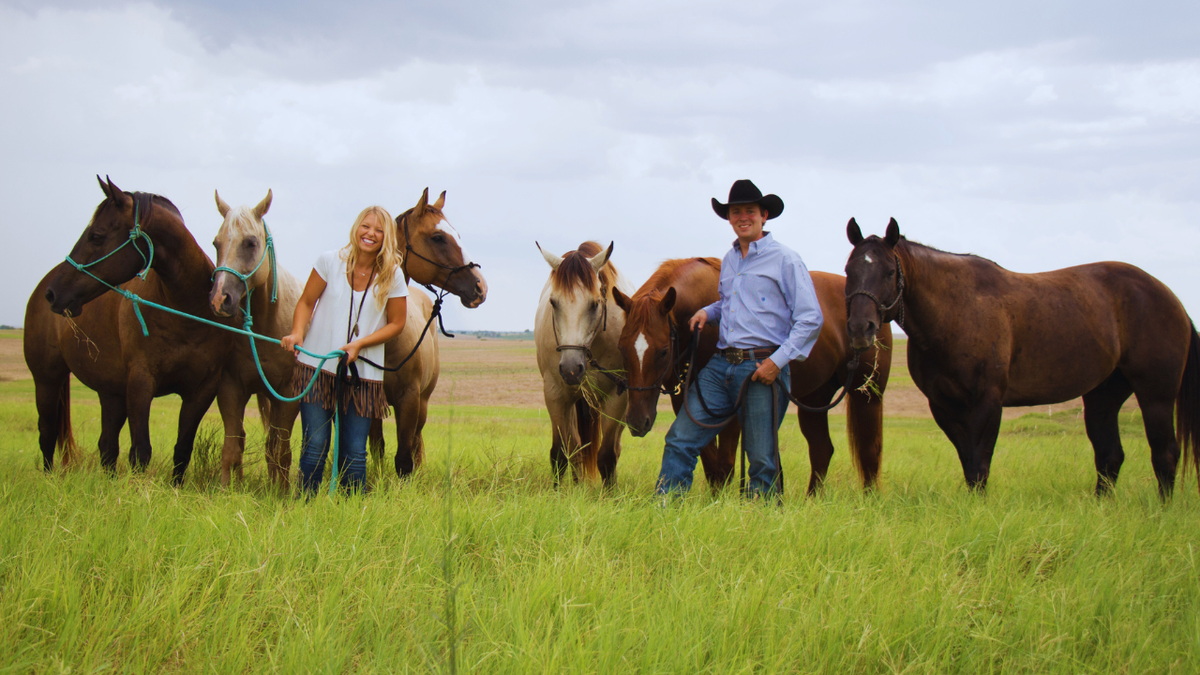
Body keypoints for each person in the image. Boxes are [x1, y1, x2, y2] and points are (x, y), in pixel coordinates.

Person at [657, 179, 824, 498]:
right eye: (736, 212)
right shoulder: (731, 259)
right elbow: (730, 303)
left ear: (764, 215)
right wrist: (708, 312)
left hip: (762, 366)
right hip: (721, 366)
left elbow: (810, 318)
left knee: (761, 458)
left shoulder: (786, 259)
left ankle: (761, 519)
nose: (742, 217)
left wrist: (777, 362)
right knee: (680, 438)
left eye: (750, 211)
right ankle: (664, 509)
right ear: (729, 218)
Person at [281, 205, 408, 495]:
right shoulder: (329, 261)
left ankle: (351, 514)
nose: (370, 234)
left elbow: (397, 323)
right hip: (317, 369)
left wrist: (360, 344)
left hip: (362, 375)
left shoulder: (393, 275)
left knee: (354, 452)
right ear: (356, 227)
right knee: (314, 446)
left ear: (387, 237)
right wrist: (297, 332)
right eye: (366, 226)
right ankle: (305, 508)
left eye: (379, 230)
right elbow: (306, 302)